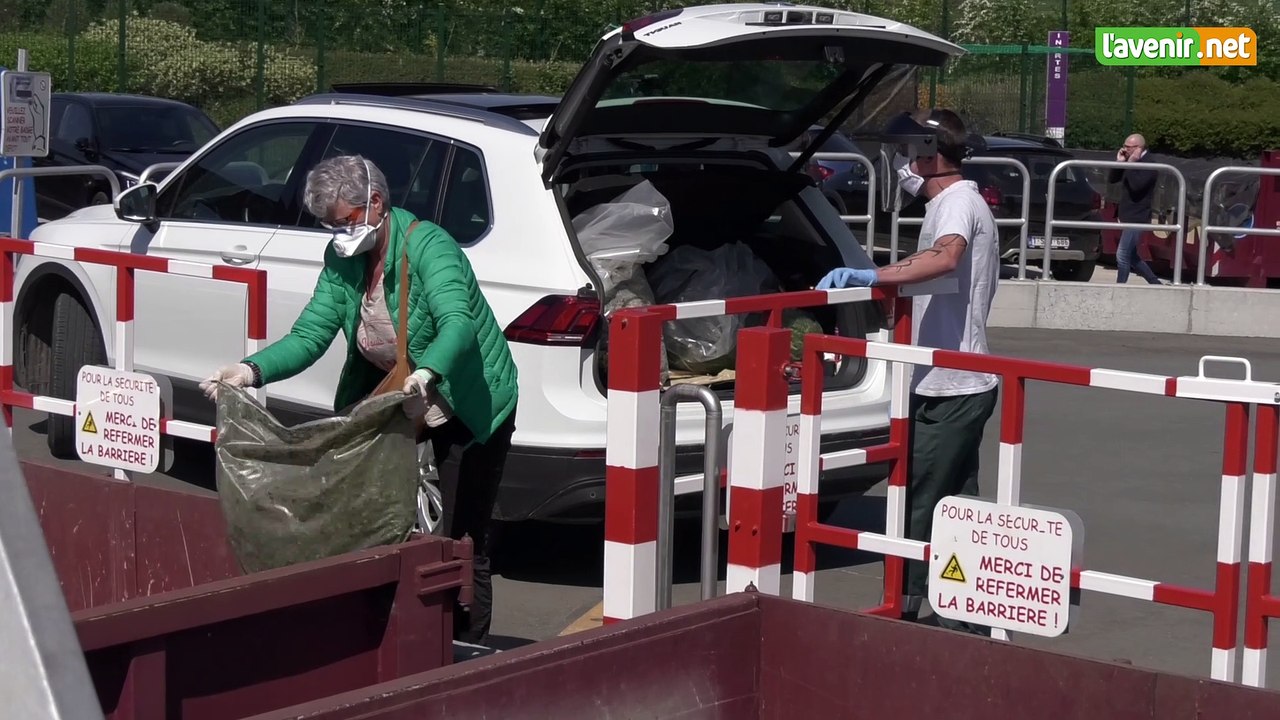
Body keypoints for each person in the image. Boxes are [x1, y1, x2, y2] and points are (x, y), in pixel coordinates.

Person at [199, 154, 519, 645]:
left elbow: (458, 322)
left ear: (375, 203)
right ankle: (392, 637)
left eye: (345, 220)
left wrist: (430, 369)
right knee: (368, 516)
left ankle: (464, 648)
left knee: (459, 541)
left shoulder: (431, 246)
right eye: (329, 224)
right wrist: (250, 370)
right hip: (396, 396)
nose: (338, 232)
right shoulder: (343, 258)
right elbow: (311, 334)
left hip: (467, 397)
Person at [816, 109, 999, 635]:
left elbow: (945, 259)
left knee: (921, 499)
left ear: (929, 152)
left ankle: (909, 604)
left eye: (907, 154)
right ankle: (960, 608)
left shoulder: (955, 203)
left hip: (950, 384)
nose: (902, 165)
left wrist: (873, 276)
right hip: (958, 378)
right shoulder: (960, 201)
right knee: (955, 500)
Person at [1108, 133, 1164, 285]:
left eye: (1128, 147)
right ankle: (1155, 283)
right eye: (1124, 146)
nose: (1125, 150)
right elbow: (1113, 179)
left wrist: (1131, 164)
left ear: (1139, 148)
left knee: (1122, 254)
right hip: (1126, 214)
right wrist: (1120, 163)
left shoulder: (1149, 164)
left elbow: (1136, 187)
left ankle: (1120, 288)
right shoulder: (1130, 160)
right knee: (1132, 255)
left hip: (1138, 215)